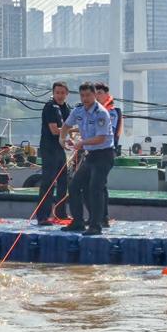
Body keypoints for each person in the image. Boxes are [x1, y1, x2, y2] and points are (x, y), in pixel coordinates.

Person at [59, 82, 115, 236]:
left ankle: (96, 225)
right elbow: (65, 126)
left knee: (95, 188)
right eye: (82, 95)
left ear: (94, 95)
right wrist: (62, 139)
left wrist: (81, 143)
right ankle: (78, 221)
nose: (85, 99)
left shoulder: (101, 113)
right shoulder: (78, 110)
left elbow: (101, 138)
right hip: (90, 156)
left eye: (88, 95)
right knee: (74, 186)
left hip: (104, 154)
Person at [37, 81, 71, 225]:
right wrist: (74, 131)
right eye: (57, 92)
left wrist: (70, 140)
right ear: (53, 93)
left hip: (60, 148)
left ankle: (60, 212)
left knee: (63, 180)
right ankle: (43, 216)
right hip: (49, 148)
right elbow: (54, 130)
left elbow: (66, 130)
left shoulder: (67, 108)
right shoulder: (50, 107)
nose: (60, 95)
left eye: (62, 93)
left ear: (67, 94)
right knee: (48, 182)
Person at [95, 82, 123, 151]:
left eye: (99, 93)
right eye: (95, 94)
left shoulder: (112, 112)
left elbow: (108, 131)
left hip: (107, 150)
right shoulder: (95, 111)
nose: (97, 96)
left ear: (107, 94)